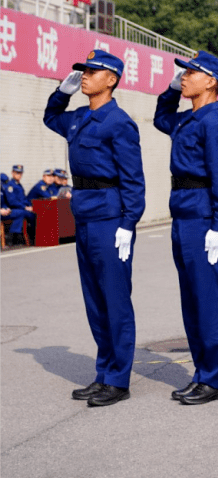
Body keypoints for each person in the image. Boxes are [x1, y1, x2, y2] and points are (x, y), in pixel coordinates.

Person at [44, 50, 146, 407]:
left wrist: (128, 224)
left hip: (110, 218)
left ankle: (118, 380)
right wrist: (62, 92)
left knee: (115, 300)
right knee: (95, 302)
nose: (84, 76)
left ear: (112, 79)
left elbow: (134, 179)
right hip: (85, 215)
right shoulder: (78, 118)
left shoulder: (119, 123)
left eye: (92, 71)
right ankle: (103, 373)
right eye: (82, 72)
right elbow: (50, 117)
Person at [153, 51, 218, 405]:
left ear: (212, 82)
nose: (184, 77)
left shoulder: (214, 124)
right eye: (183, 73)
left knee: (208, 301)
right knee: (191, 301)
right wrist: (171, 89)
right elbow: (161, 117)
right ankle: (202, 372)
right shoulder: (188, 120)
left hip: (204, 220)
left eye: (191, 73)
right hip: (184, 216)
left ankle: (215, 378)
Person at [3, 165, 35, 245]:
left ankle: (30, 235)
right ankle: (14, 237)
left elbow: (24, 199)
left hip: (21, 208)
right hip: (13, 209)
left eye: (20, 173)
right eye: (17, 173)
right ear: (12, 173)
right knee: (24, 213)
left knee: (34, 212)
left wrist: (29, 205)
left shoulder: (18, 185)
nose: (19, 175)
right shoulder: (10, 186)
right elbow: (12, 202)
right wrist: (25, 207)